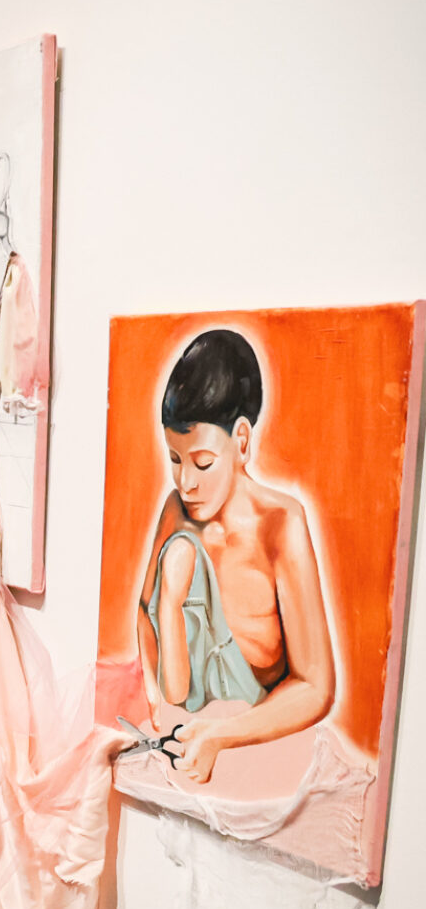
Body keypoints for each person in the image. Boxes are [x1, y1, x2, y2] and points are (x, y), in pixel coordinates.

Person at [135, 328, 336, 783]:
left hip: (257, 741)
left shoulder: (281, 523)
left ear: (241, 441)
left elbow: (316, 686)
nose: (186, 482)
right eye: (174, 458)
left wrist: (221, 736)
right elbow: (144, 614)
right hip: (178, 732)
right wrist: (152, 694)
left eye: (202, 462)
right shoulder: (176, 513)